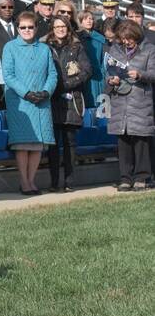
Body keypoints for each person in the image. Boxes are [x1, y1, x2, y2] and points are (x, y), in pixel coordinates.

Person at [3, 11, 57, 195]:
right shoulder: (10, 47)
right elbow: (8, 75)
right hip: (20, 103)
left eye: (30, 27)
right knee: (23, 144)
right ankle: (24, 182)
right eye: (23, 27)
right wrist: (25, 93)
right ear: (17, 29)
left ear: (36, 28)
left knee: (37, 145)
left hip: (41, 101)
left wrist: (46, 91)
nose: (27, 30)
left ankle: (32, 181)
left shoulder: (44, 49)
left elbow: (52, 74)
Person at [103, 20, 155, 190]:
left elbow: (153, 74)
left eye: (129, 38)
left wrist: (140, 74)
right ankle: (125, 178)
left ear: (136, 36)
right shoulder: (115, 50)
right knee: (123, 141)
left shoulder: (149, 50)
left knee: (141, 141)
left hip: (140, 101)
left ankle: (142, 177)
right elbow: (107, 73)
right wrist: (112, 80)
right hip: (120, 101)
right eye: (123, 39)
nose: (126, 42)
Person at [45, 15, 91, 192]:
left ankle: (70, 182)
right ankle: (54, 182)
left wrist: (67, 85)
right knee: (54, 144)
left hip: (72, 98)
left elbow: (87, 71)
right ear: (52, 29)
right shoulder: (46, 48)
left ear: (68, 28)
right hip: (52, 99)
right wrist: (53, 87)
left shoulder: (77, 47)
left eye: (63, 26)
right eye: (57, 27)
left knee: (70, 143)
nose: (60, 29)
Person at [77, 8, 107, 110]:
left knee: (101, 107)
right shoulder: (76, 38)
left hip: (99, 75)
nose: (89, 21)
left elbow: (104, 59)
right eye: (85, 19)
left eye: (91, 19)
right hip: (84, 76)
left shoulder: (100, 38)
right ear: (80, 21)